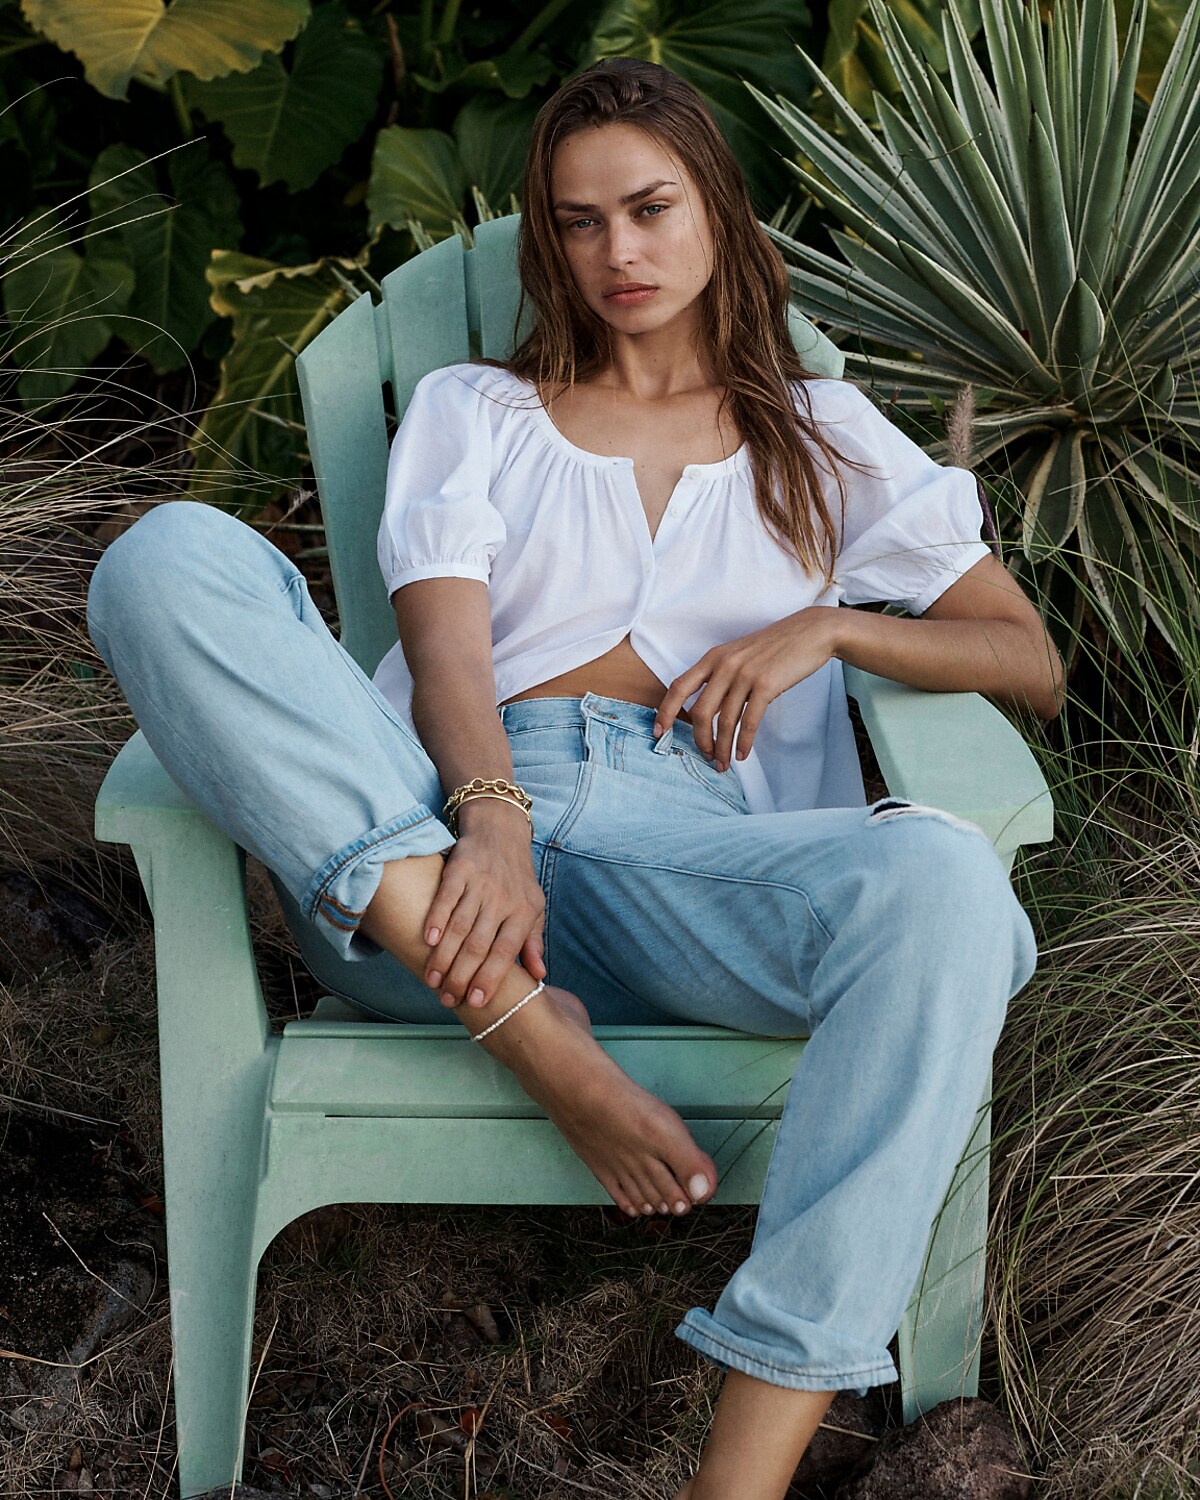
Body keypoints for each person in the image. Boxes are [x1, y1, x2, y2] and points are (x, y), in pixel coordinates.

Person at [88, 56, 1061, 1500]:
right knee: (166, 555)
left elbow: (1027, 657)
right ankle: (538, 1039)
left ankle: (737, 1478)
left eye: (651, 209)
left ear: (716, 209)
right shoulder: (477, 409)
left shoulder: (821, 437)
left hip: (694, 862)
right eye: (580, 221)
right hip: (423, 862)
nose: (620, 252)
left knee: (949, 884)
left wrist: (829, 628)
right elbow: (446, 655)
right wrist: (490, 824)